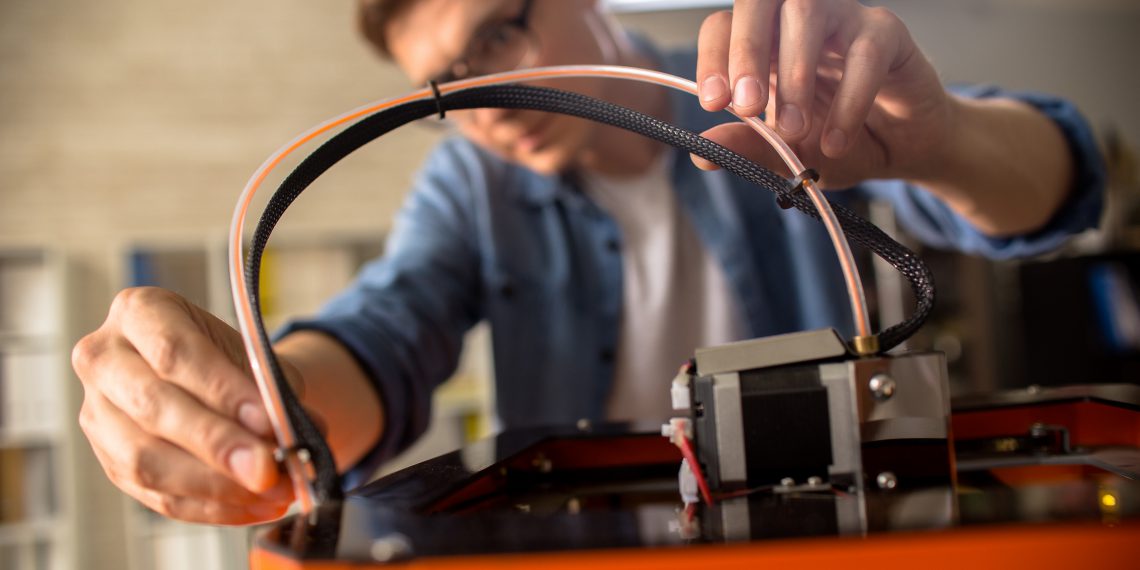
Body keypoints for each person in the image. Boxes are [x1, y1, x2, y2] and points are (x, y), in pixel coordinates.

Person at [71, 0, 1104, 525]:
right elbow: (384, 334)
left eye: (498, 36)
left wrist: (943, 145)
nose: (487, 108)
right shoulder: (471, 191)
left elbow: (1061, 193)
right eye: (447, 92)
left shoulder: (773, 101)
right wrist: (267, 409)